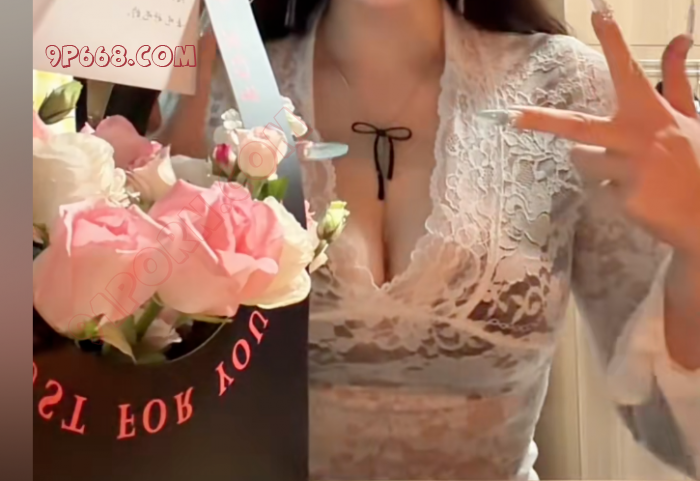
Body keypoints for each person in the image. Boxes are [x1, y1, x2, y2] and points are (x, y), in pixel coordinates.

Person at [155, 0, 700, 479]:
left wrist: (697, 245)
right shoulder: (211, 86)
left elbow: (673, 427)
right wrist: (154, 193)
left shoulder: (570, 89)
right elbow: (148, 396)